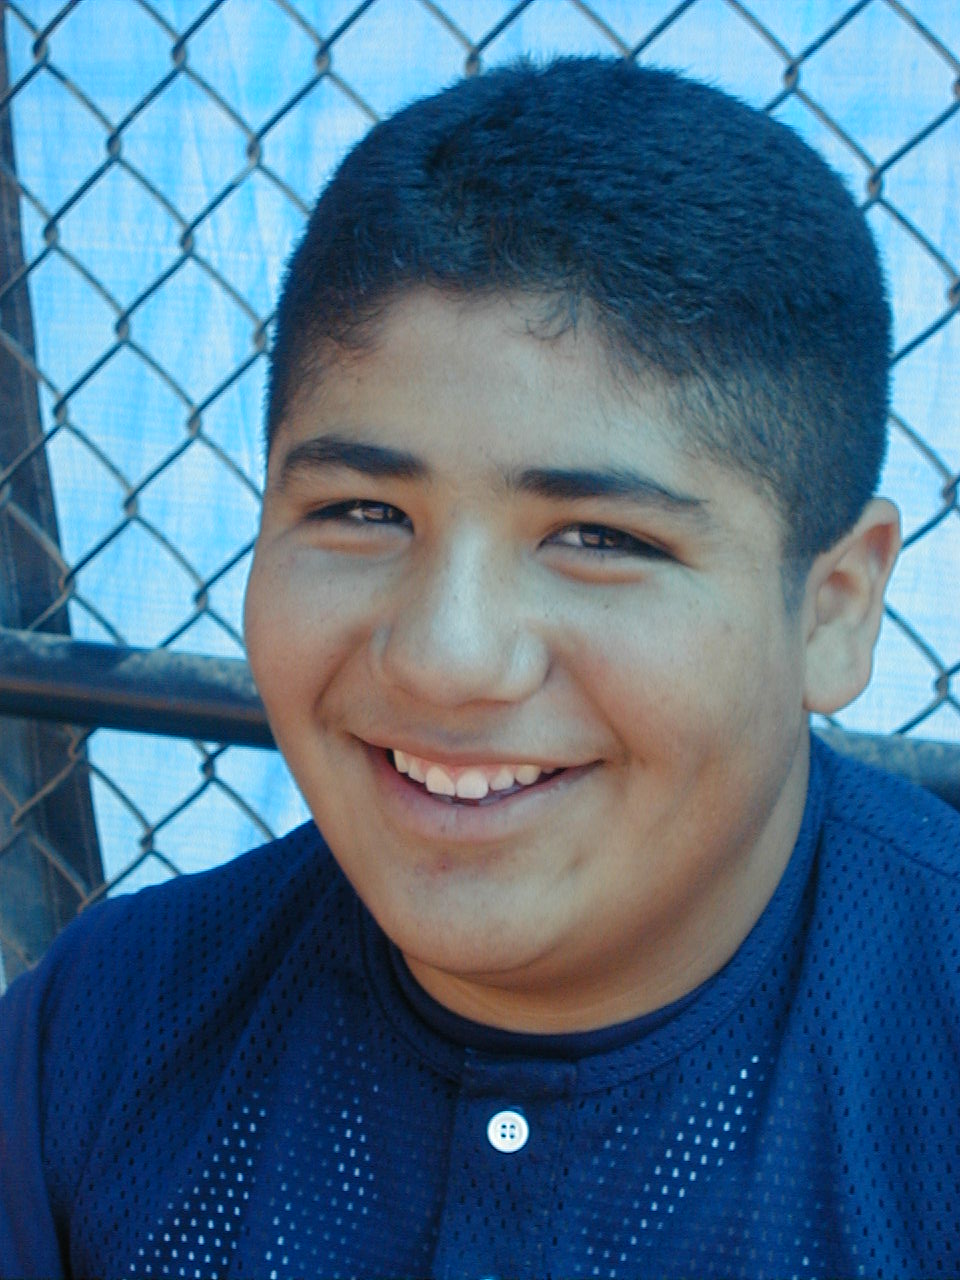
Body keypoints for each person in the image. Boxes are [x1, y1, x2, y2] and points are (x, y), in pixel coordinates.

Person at [1, 55, 957, 1280]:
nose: (446, 658)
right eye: (361, 512)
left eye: (599, 538)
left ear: (833, 608)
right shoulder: (105, 1031)